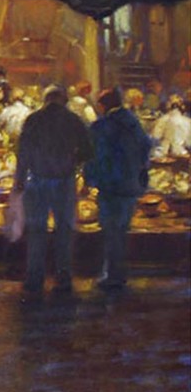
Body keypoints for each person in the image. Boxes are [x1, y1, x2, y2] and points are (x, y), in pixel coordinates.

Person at [14, 84, 93, 295]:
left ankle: (35, 278)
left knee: (36, 231)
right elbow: (87, 151)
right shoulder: (73, 120)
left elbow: (23, 152)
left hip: (37, 180)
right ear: (64, 100)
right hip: (64, 181)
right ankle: (63, 278)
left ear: (46, 99)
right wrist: (72, 161)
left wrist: (19, 180)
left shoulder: (34, 120)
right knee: (64, 231)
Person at [84, 88, 152, 290]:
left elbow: (92, 156)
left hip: (110, 186)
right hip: (130, 185)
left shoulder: (101, 126)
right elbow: (146, 146)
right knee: (122, 230)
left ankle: (113, 275)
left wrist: (89, 180)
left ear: (102, 105)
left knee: (111, 231)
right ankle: (118, 273)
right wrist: (138, 169)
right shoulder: (133, 123)